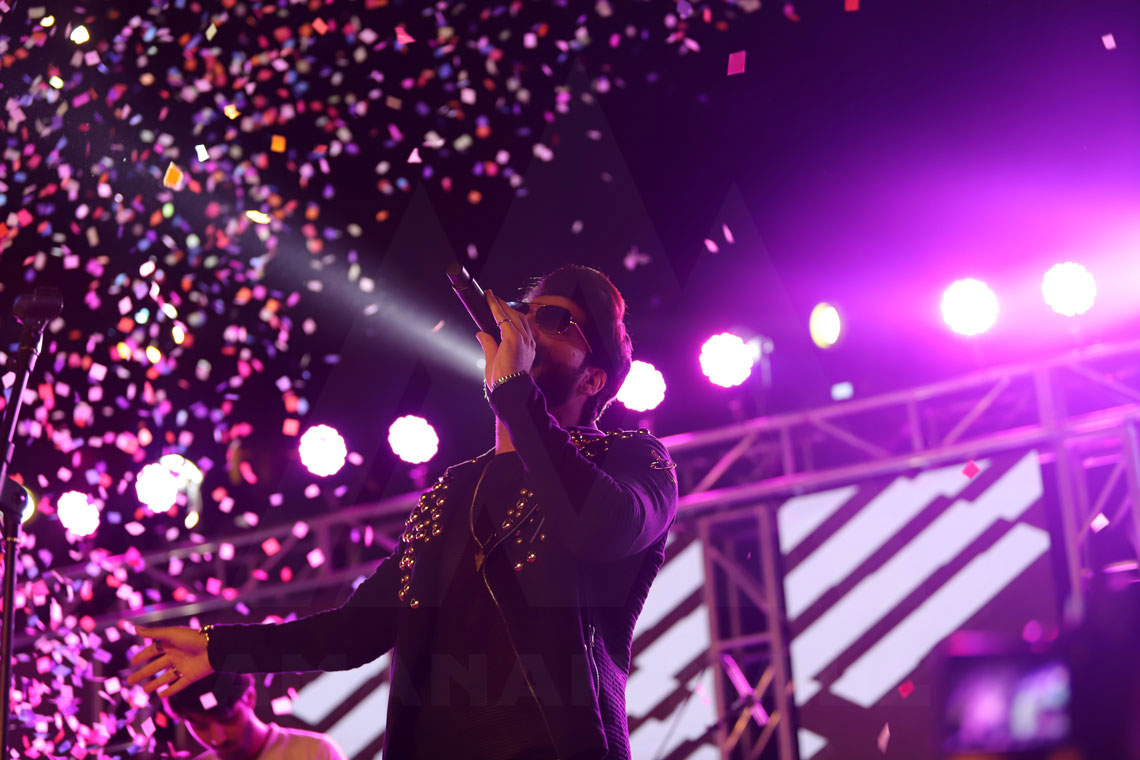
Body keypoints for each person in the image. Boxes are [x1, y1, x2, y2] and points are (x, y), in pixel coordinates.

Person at [128, 265, 679, 760]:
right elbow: (354, 632)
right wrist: (218, 648)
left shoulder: (631, 458)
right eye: (524, 311)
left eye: (555, 320)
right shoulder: (454, 490)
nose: (527, 326)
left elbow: (600, 526)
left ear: (593, 379)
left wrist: (516, 395)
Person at [164, 671, 347, 760]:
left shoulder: (315, 752)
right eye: (200, 726)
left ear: (250, 697)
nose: (218, 738)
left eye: (228, 719)